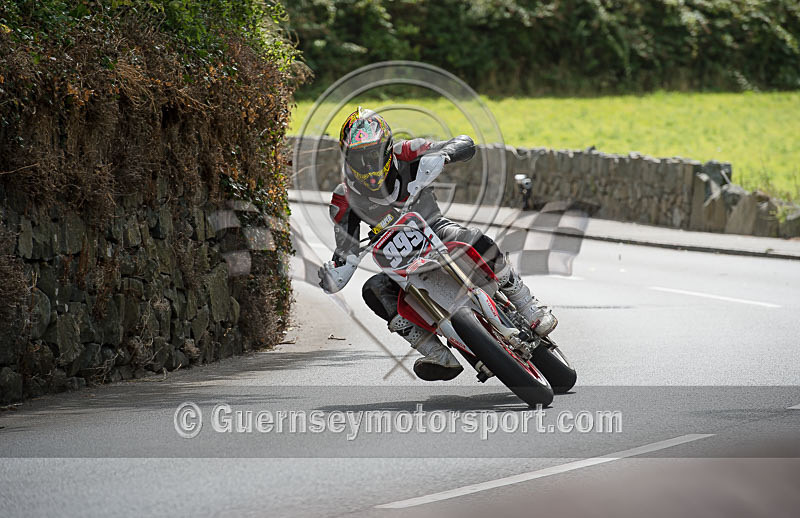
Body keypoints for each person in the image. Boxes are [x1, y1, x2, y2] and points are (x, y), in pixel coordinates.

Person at [318, 107, 557, 381]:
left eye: (373, 154)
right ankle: (435, 353)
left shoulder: (408, 152)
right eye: (359, 157)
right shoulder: (344, 197)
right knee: (373, 290)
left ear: (386, 149)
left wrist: (444, 155)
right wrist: (333, 274)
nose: (367, 164)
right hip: (398, 261)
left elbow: (464, 143)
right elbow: (345, 249)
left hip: (437, 229)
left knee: (472, 237)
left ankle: (526, 304)